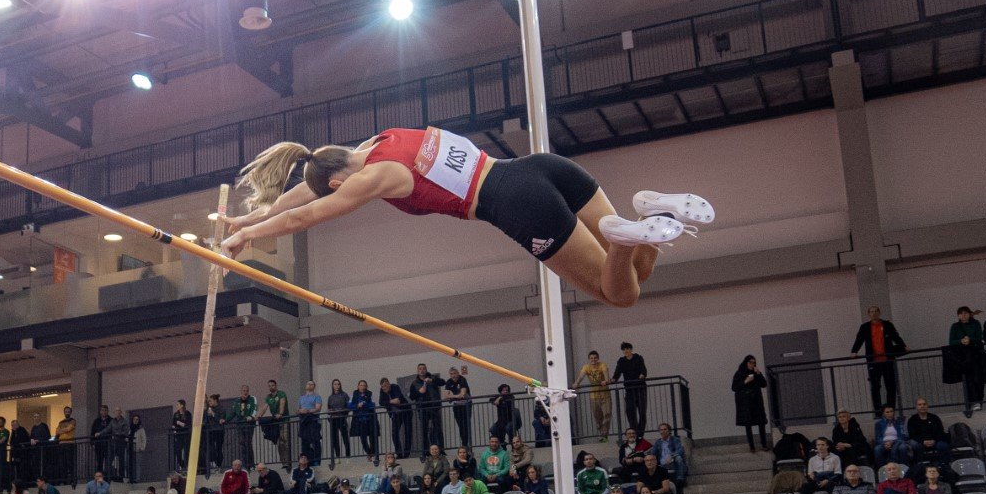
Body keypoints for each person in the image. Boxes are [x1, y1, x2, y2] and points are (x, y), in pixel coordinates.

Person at [221, 132, 711, 309]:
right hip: (541, 167)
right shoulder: (380, 142)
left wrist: (247, 233)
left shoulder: (375, 177)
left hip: (518, 204)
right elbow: (307, 191)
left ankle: (623, 239)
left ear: (337, 183)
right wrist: (261, 210)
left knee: (618, 294)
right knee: (639, 273)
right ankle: (648, 213)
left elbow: (306, 213)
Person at [850, 306, 906, 415]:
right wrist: (854, 351)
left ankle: (891, 411)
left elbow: (895, 336)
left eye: (876, 311)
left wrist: (903, 346)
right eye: (871, 311)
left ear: (879, 313)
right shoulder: (865, 327)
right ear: (868, 314)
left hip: (887, 360)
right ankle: (878, 412)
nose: (874, 313)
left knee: (890, 385)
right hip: (873, 361)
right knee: (875, 387)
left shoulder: (887, 324)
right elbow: (859, 339)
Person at [948, 306, 985, 413]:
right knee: (969, 380)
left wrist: (970, 339)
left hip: (976, 355)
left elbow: (979, 338)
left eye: (965, 313)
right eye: (961, 314)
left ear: (969, 314)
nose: (963, 315)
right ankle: (972, 402)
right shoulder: (955, 326)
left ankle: (978, 401)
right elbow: (951, 341)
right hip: (963, 356)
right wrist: (961, 341)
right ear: (958, 315)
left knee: (978, 379)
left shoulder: (976, 323)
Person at [732, 356, 770, 452]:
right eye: (750, 362)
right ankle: (752, 447)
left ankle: (764, 444)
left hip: (757, 402)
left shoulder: (756, 373)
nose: (752, 364)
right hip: (746, 403)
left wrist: (759, 373)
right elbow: (734, 387)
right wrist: (745, 381)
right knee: (748, 424)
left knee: (761, 423)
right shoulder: (739, 373)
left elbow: (764, 384)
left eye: (754, 362)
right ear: (746, 363)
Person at [611, 342, 649, 435]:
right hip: (629, 390)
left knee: (642, 412)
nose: (626, 351)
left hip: (640, 389)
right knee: (630, 412)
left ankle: (640, 433)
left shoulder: (638, 358)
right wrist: (613, 379)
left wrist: (642, 375)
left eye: (627, 349)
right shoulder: (621, 361)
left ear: (631, 349)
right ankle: (634, 432)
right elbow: (617, 372)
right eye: (624, 349)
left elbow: (643, 369)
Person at [575, 352, 613, 441]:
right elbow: (581, 376)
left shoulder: (602, 365)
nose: (593, 360)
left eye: (595, 358)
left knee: (607, 414)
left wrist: (606, 380)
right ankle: (601, 431)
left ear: (598, 358)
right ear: (589, 359)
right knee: (598, 416)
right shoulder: (586, 367)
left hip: (605, 394)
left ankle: (604, 436)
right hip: (594, 396)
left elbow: (606, 373)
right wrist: (577, 383)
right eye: (591, 358)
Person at [443, 367, 472, 451]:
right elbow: (445, 396)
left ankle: (466, 445)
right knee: (460, 426)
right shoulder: (449, 381)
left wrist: (452, 397)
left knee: (465, 425)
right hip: (457, 405)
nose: (453, 376)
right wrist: (456, 397)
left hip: (466, 405)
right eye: (451, 374)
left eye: (455, 373)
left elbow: (462, 395)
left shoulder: (462, 379)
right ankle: (464, 444)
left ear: (458, 373)